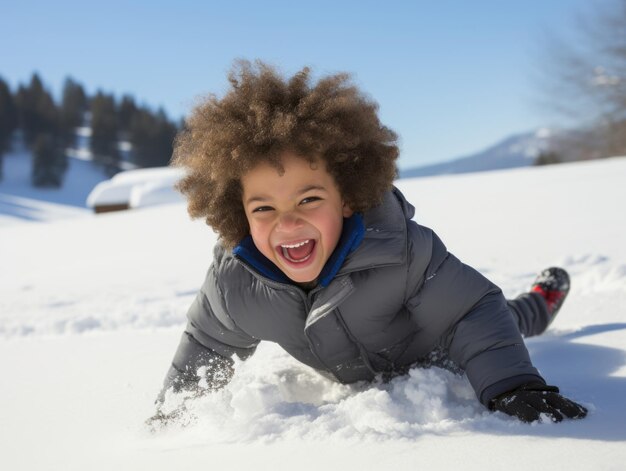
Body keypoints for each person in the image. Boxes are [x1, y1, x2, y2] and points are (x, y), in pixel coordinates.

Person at [153, 60, 587, 425]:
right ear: (239, 214)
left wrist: (513, 387)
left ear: (348, 197)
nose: (288, 223)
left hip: (440, 343)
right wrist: (173, 415)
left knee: (507, 319)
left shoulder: (400, 252)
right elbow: (207, 343)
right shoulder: (236, 285)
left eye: (309, 199)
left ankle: (540, 301)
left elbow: (469, 310)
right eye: (264, 208)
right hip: (362, 362)